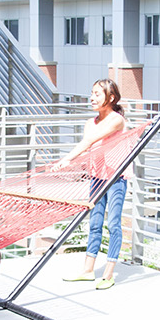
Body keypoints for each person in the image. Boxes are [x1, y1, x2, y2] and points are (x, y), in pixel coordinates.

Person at [54, 78, 129, 290]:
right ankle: (88, 271)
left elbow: (88, 142)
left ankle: (108, 274)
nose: (92, 97)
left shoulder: (117, 120)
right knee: (95, 223)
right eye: (92, 93)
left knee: (113, 224)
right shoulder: (90, 122)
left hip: (116, 179)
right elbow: (88, 150)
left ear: (111, 98)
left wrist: (65, 159)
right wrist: (69, 166)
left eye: (97, 94)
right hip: (97, 177)